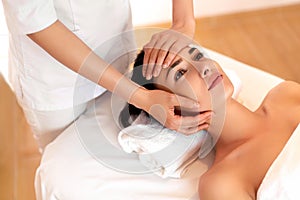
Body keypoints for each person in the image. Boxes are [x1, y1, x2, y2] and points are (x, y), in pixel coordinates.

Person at [1, 0, 207, 151]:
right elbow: (36, 21)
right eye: (179, 72)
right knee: (66, 157)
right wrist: (141, 97)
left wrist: (184, 22)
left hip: (115, 49)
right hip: (56, 80)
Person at [119, 46, 300, 199]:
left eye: (198, 56)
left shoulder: (285, 95)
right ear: (173, 110)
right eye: (180, 73)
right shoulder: (222, 182)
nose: (204, 67)